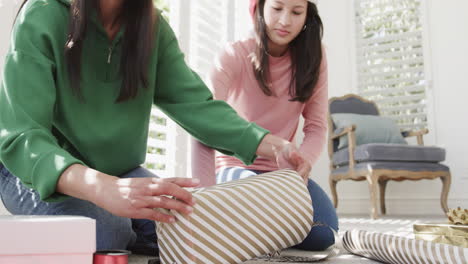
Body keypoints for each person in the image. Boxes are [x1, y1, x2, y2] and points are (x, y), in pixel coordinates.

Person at [0, 0, 311, 256]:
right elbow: (23, 137)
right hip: (34, 174)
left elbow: (197, 105)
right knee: (109, 231)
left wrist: (275, 145)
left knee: (198, 225)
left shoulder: (151, 27)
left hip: (119, 172)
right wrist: (104, 189)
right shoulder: (42, 15)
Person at [192, 0, 339, 251]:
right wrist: (203, 195)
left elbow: (316, 126)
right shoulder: (233, 54)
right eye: (277, 8)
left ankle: (252, 230)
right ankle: (256, 225)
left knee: (324, 234)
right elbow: (202, 124)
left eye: (296, 12)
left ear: (307, 15)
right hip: (235, 168)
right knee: (259, 200)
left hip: (283, 173)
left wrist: (300, 166)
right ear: (258, 8)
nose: (285, 21)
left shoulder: (316, 57)